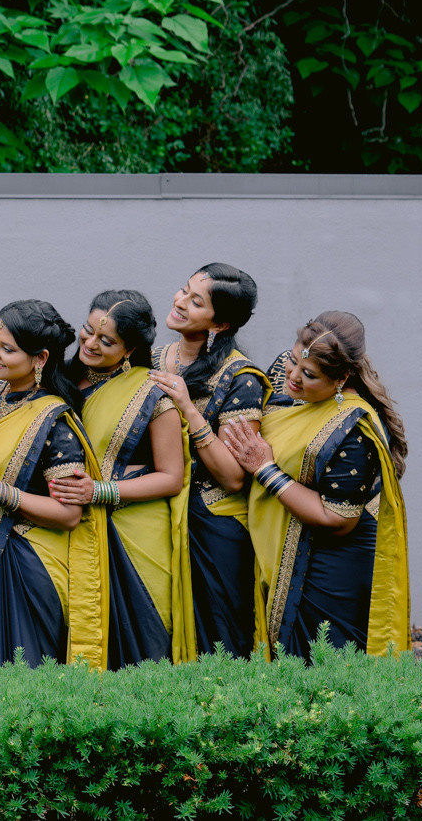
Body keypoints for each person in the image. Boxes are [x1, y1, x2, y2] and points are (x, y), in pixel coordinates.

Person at [223, 311, 410, 659]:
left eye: (309, 375)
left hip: (331, 561)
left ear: (341, 379)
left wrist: (265, 469)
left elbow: (338, 520)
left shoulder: (353, 428)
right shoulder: (286, 372)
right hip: (285, 540)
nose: (293, 376)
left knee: (319, 661)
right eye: (294, 360)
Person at [0, 300, 109, 669]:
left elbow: (69, 515)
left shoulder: (55, 418)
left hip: (28, 564)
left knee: (20, 678)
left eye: (8, 349)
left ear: (40, 358)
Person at [47, 292, 189, 667]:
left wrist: (100, 491)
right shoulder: (59, 379)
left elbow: (172, 477)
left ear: (130, 349)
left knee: (140, 646)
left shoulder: (153, 392)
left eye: (106, 341)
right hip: (68, 529)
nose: (90, 344)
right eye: (87, 331)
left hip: (134, 532)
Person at [147, 263, 272, 656]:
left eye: (195, 301)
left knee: (217, 640)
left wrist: (188, 407)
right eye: (183, 290)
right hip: (154, 514)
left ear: (219, 324)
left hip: (213, 526)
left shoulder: (240, 379)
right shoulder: (150, 359)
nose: (180, 301)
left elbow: (234, 477)